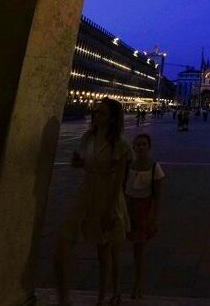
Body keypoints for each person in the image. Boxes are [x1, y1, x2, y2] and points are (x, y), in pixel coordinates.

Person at [55, 99, 132, 306]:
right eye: (96, 111)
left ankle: (104, 296)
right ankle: (65, 299)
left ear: (113, 117)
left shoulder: (120, 144)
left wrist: (109, 211)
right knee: (62, 244)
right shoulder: (87, 137)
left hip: (108, 199)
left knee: (103, 251)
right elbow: (87, 163)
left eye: (102, 113)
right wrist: (77, 163)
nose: (96, 116)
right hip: (86, 195)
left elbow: (119, 182)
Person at [124, 133, 165, 300]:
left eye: (144, 144)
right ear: (133, 147)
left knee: (138, 249)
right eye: (138, 144)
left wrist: (154, 217)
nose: (140, 147)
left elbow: (158, 196)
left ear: (149, 147)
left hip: (143, 210)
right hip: (126, 208)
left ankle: (137, 284)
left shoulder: (155, 168)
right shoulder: (127, 167)